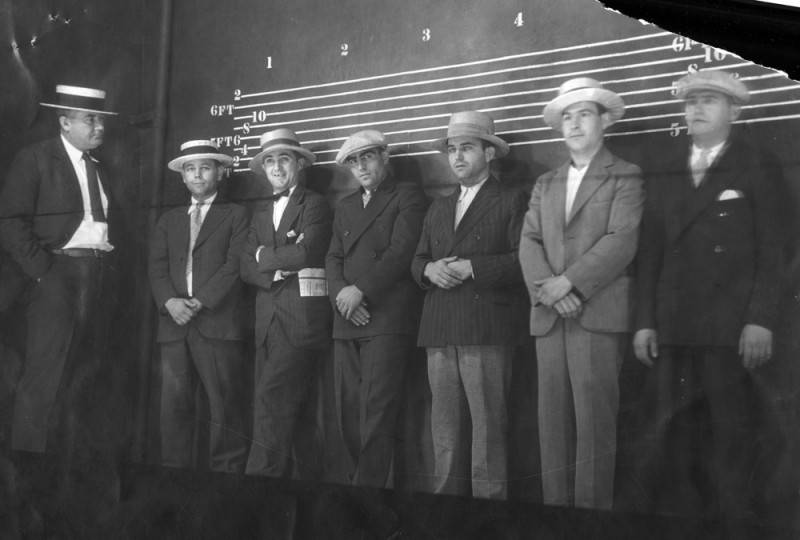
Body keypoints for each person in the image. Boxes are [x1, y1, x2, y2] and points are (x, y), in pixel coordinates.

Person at [633, 70, 784, 525]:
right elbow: (650, 251)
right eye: (691, 100)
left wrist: (760, 319)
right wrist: (644, 320)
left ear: (734, 112)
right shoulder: (667, 164)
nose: (696, 108)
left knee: (731, 438)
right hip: (673, 329)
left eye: (710, 101)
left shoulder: (758, 163)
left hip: (730, 331)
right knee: (675, 440)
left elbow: (776, 251)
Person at [519, 77, 644, 509]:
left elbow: (621, 239)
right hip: (551, 317)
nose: (573, 124)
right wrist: (553, 293)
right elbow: (528, 242)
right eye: (567, 117)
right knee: (551, 426)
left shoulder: (625, 174)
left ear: (604, 121)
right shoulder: (545, 182)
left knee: (594, 428)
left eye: (584, 114)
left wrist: (567, 282)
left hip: (596, 314)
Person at [411, 110, 528, 499]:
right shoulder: (439, 206)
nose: (457, 156)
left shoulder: (511, 199)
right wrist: (428, 270)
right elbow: (416, 260)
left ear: (490, 153)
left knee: (488, 429)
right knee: (443, 431)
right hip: (440, 329)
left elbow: (521, 259)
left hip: (486, 329)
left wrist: (472, 267)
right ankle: (444, 511)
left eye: (467, 148)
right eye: (452, 149)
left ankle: (489, 513)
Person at [0, 85, 122, 455]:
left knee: (84, 377)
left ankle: (67, 475)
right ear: (65, 122)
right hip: (57, 278)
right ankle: (27, 470)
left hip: (96, 278)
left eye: (101, 119)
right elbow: (9, 221)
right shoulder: (35, 159)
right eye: (91, 119)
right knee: (44, 378)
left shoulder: (100, 167)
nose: (99, 127)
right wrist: (43, 272)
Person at [326, 129, 428, 487]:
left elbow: (400, 252)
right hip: (347, 319)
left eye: (367, 156)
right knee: (348, 413)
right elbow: (333, 257)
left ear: (384, 157)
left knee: (377, 414)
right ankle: (357, 490)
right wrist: (343, 297)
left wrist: (361, 291)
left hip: (387, 318)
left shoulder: (408, 196)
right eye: (353, 161)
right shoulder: (346, 206)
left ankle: (370, 499)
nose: (361, 166)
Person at [148, 139, 249, 472]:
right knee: (173, 408)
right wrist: (170, 301)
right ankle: (173, 476)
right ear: (182, 177)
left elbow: (234, 265)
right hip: (174, 324)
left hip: (216, 322)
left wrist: (201, 301)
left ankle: (227, 477)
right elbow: (157, 266)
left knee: (224, 408)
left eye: (205, 167)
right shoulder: (169, 219)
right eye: (190, 169)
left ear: (220, 172)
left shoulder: (236, 214)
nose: (197, 175)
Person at [240, 128, 332, 478]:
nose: (276, 167)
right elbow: (245, 266)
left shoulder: (315, 203)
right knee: (289, 413)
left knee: (270, 402)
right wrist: (277, 270)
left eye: (284, 159)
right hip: (267, 326)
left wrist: (266, 255)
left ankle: (256, 488)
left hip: (301, 324)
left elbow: (307, 252)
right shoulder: (261, 212)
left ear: (299, 164)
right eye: (269, 161)